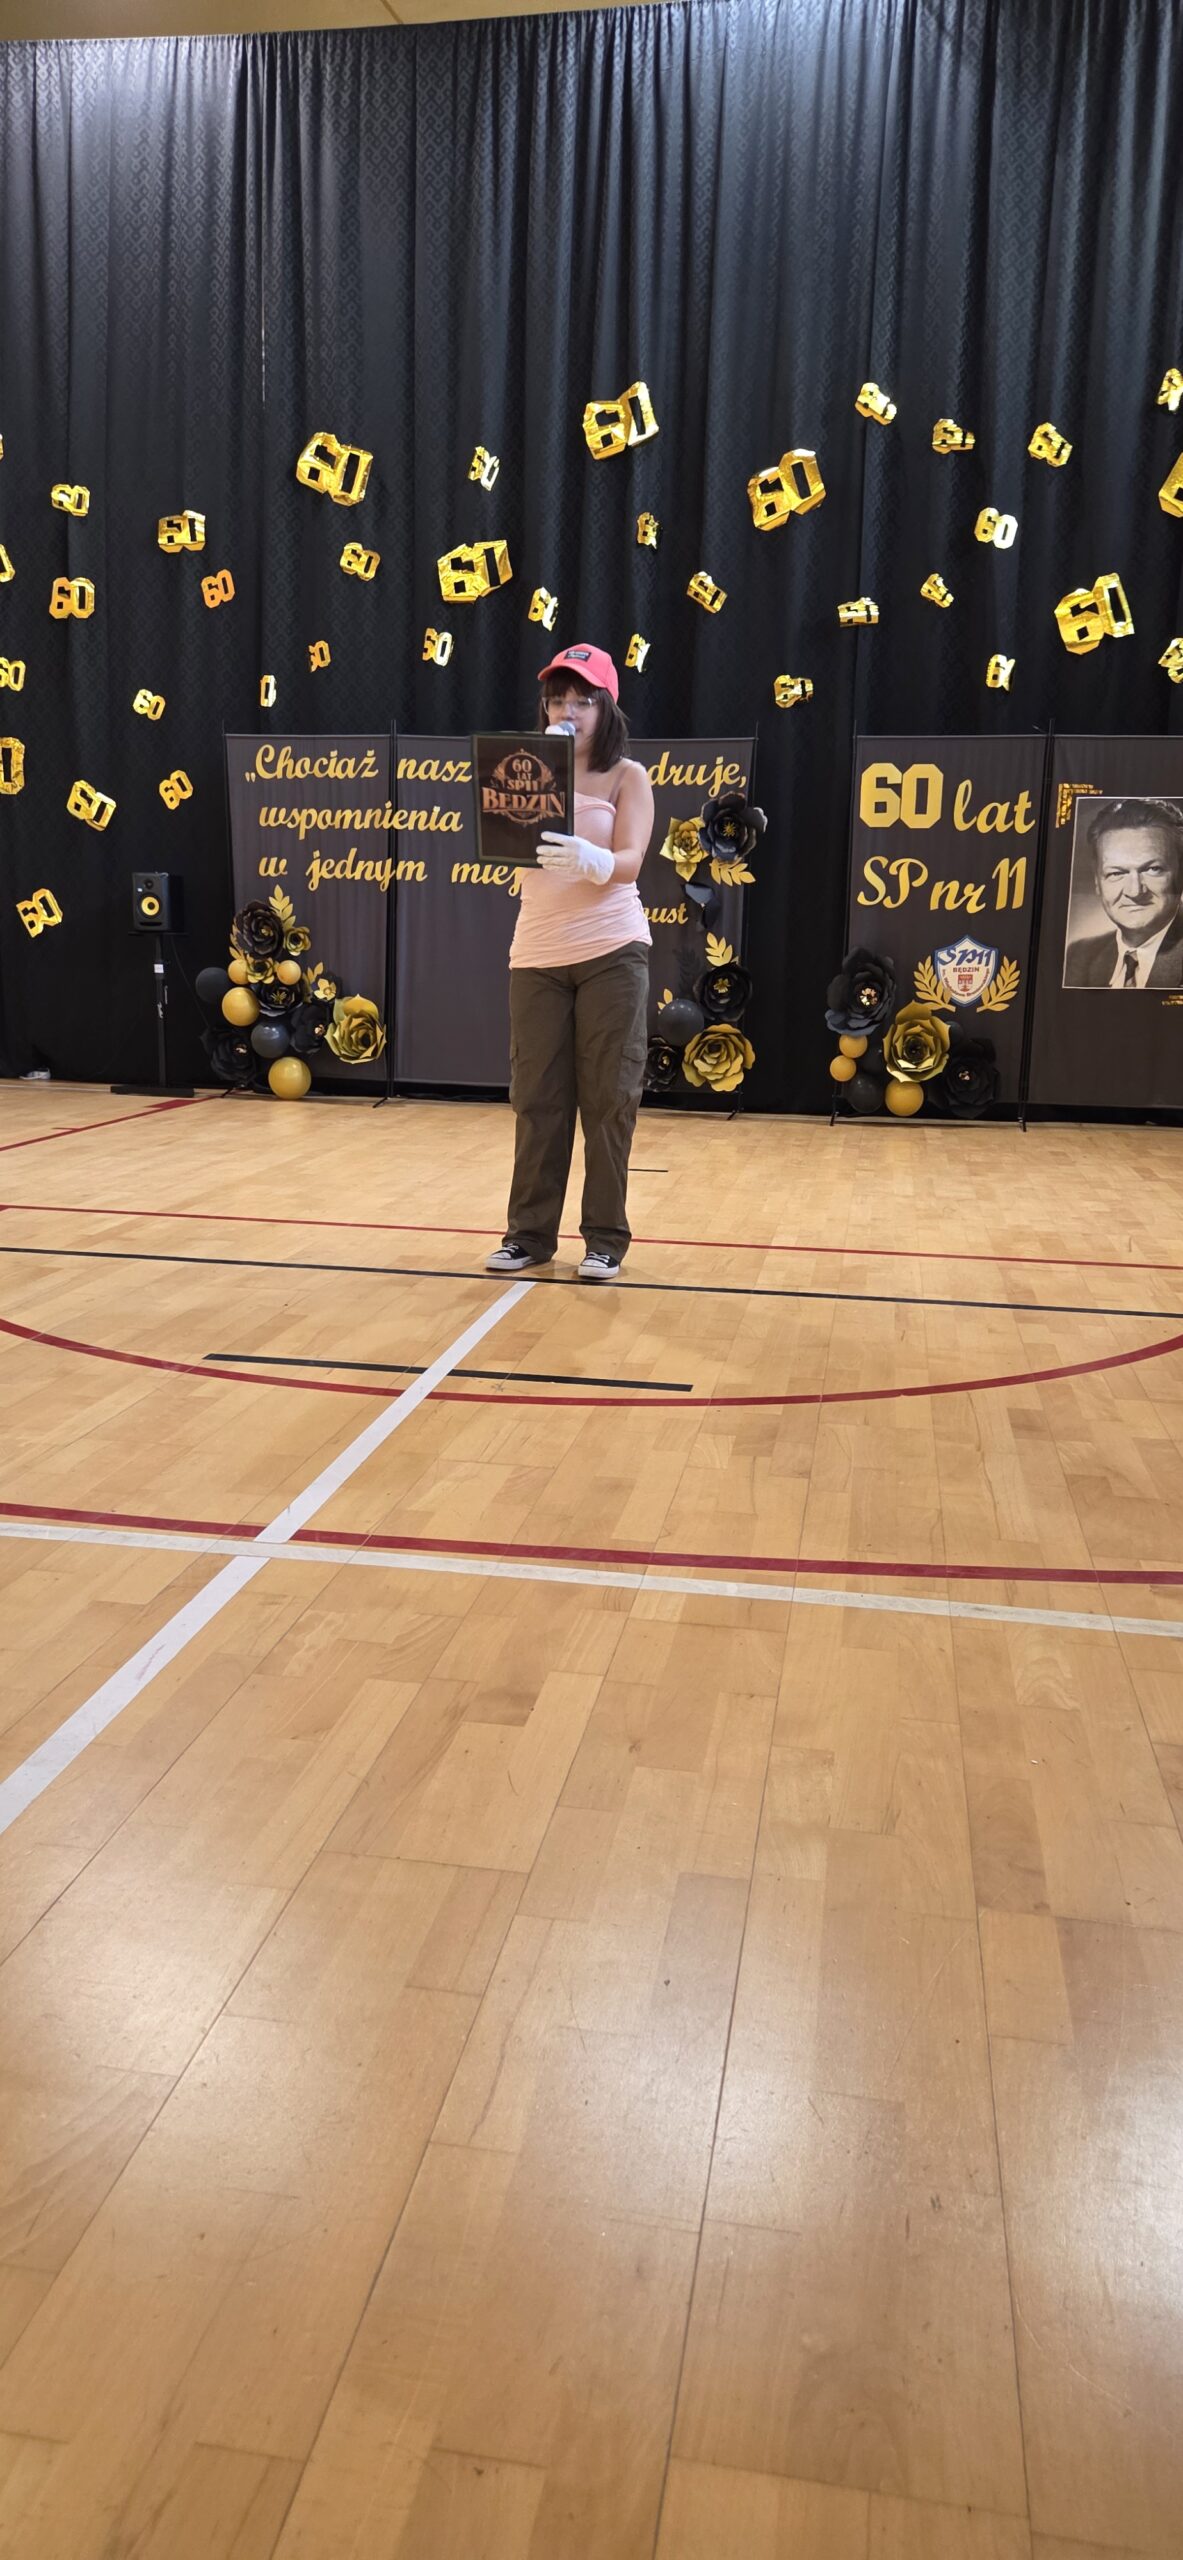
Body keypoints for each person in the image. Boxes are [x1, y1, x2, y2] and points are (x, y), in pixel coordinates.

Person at [486, 643, 655, 1282]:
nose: (568, 711)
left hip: (612, 949)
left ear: (605, 707)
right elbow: (502, 841)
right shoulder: (523, 771)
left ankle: (605, 1239)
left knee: (608, 1098)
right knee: (537, 1097)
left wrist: (596, 860)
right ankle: (528, 1236)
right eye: (558, 699)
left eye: (582, 700)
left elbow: (633, 861)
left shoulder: (627, 776)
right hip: (537, 953)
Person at [1064, 798, 1183, 988]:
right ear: (1097, 882)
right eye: (1116, 873)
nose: (1134, 892)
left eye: (1152, 869)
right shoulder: (1078, 956)